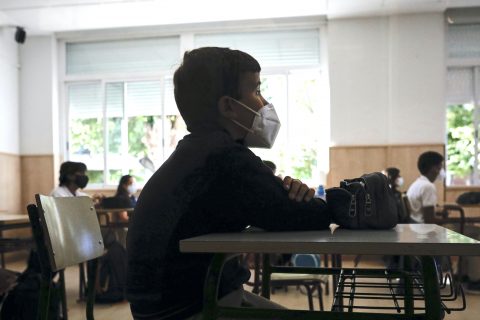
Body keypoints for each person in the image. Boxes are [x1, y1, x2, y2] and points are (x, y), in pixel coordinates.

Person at [126, 47, 332, 319]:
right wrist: (338, 201)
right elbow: (302, 216)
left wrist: (292, 197)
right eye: (256, 91)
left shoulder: (200, 152)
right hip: (190, 309)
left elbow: (274, 206)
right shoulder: (224, 158)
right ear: (228, 106)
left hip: (168, 306)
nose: (264, 102)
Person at [406, 151, 445, 223]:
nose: (441, 171)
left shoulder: (417, 183)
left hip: (414, 225)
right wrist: (448, 221)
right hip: (423, 230)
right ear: (434, 168)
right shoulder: (428, 186)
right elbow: (429, 220)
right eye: (440, 167)